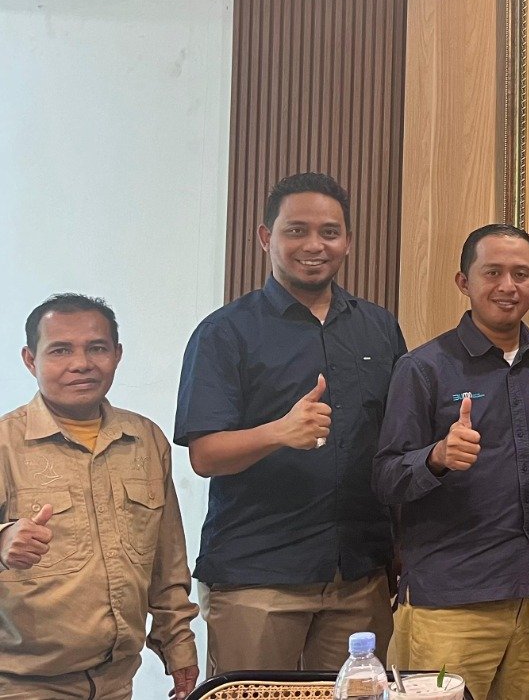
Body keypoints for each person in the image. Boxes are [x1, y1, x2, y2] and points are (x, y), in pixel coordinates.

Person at [174, 173, 407, 675]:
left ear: (347, 241)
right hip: (259, 577)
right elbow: (205, 456)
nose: (314, 245)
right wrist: (278, 432)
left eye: (329, 232)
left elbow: (394, 444)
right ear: (266, 237)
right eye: (296, 231)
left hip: (359, 575)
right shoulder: (225, 332)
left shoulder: (379, 327)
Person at [374, 224, 529, 699]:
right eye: (492, 273)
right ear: (463, 282)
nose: (508, 286)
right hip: (451, 602)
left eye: (521, 274)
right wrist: (436, 457)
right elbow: (385, 478)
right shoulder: (422, 368)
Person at [1, 294, 199, 699]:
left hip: (116, 682)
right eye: (60, 350)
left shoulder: (145, 440)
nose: (81, 363)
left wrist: (178, 645)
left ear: (117, 354)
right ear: (30, 359)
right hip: (21, 685)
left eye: (96, 348)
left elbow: (167, 562)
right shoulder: (5, 444)